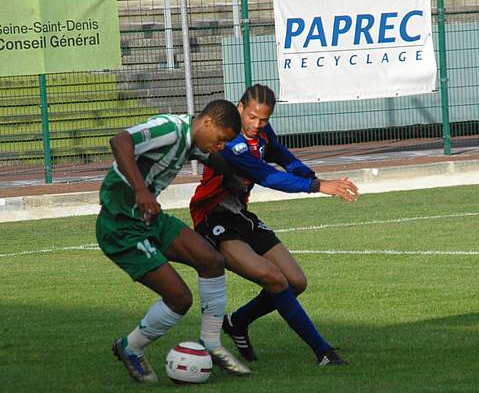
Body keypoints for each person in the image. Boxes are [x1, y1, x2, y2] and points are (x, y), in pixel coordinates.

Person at [189, 84, 359, 366]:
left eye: (264, 119)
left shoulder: (262, 134)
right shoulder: (228, 143)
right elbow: (268, 176)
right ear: (240, 108)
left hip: (241, 215)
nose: (257, 125)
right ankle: (323, 351)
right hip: (213, 217)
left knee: (296, 282)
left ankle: (237, 322)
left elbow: (281, 156)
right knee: (275, 278)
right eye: (252, 117)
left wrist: (311, 175)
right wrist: (316, 186)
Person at [96, 100, 251, 383]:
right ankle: (131, 346)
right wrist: (141, 191)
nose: (219, 146)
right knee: (179, 299)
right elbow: (119, 141)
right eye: (220, 139)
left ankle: (211, 344)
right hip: (121, 226)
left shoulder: (193, 139)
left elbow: (211, 157)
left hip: (149, 219)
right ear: (206, 123)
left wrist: (231, 178)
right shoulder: (169, 129)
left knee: (212, 261)